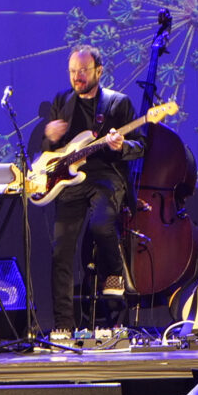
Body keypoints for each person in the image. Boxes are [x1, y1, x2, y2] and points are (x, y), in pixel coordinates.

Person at [41, 44, 144, 332]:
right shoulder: (62, 100)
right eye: (73, 71)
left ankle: (114, 276)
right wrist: (49, 137)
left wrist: (122, 145)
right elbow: (52, 151)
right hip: (70, 182)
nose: (77, 77)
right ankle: (63, 323)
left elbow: (140, 146)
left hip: (105, 176)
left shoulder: (118, 103)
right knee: (60, 250)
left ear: (99, 70)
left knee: (101, 225)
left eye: (83, 71)